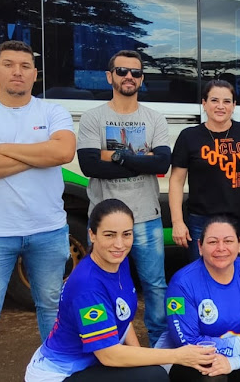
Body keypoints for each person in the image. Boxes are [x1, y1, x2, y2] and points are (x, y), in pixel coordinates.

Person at [0, 40, 75, 382]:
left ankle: (57, 372)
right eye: (9, 64)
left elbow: (63, 153)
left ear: (35, 74)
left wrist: (3, 149)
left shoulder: (53, 112)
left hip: (48, 229)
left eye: (25, 65)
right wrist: (38, 154)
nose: (17, 71)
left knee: (53, 308)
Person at [25, 199, 214, 381]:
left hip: (92, 362)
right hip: (62, 374)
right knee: (154, 376)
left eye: (126, 234)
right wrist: (176, 356)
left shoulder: (118, 261)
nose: (119, 244)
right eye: (109, 235)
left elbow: (123, 317)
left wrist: (144, 360)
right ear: (92, 235)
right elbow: (109, 356)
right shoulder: (88, 286)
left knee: (153, 372)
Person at [77, 50, 171, 347]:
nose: (128, 76)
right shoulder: (94, 118)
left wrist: (115, 156)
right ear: (110, 77)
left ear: (141, 80)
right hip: (104, 219)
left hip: (146, 216)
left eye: (135, 72)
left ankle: (158, 344)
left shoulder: (155, 118)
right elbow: (90, 165)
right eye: (121, 71)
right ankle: (111, 345)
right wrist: (139, 158)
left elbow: (161, 164)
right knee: (104, 284)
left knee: (155, 286)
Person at [165, 216, 240, 382]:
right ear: (200, 246)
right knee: (215, 379)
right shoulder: (181, 284)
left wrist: (234, 361)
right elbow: (187, 342)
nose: (221, 248)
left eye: (228, 241)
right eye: (213, 242)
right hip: (192, 360)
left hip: (239, 357)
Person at [170, 79, 240, 261]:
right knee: (200, 274)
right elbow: (176, 181)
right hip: (200, 220)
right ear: (204, 103)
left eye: (227, 101)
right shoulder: (189, 136)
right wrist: (177, 222)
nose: (220, 106)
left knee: (237, 273)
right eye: (214, 100)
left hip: (239, 219)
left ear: (234, 105)